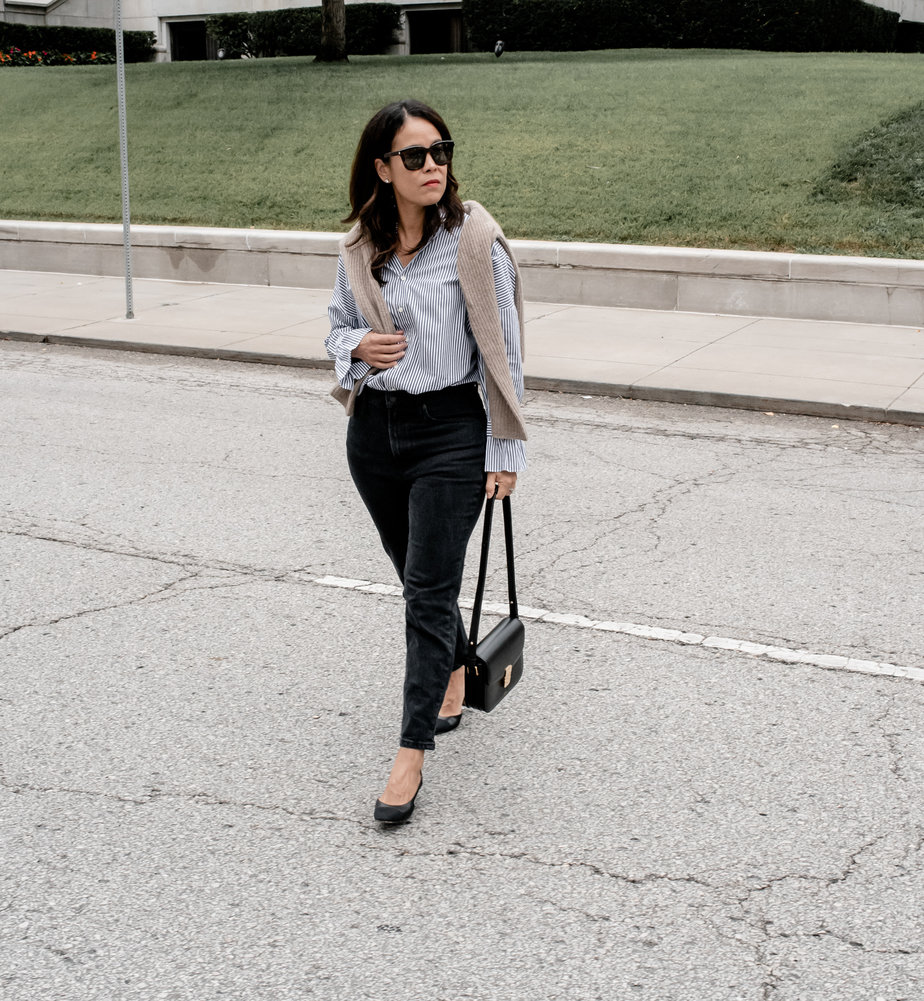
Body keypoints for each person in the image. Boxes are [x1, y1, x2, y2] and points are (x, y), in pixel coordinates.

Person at [325, 99, 528, 824]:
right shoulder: (359, 247)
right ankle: (451, 663)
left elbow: (505, 350)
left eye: (440, 150)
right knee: (418, 578)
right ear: (382, 168)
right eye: (414, 156)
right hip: (375, 436)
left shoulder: (474, 239)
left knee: (425, 589)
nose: (433, 165)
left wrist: (505, 450)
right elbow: (334, 330)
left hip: (451, 432)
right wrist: (356, 349)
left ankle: (409, 754)